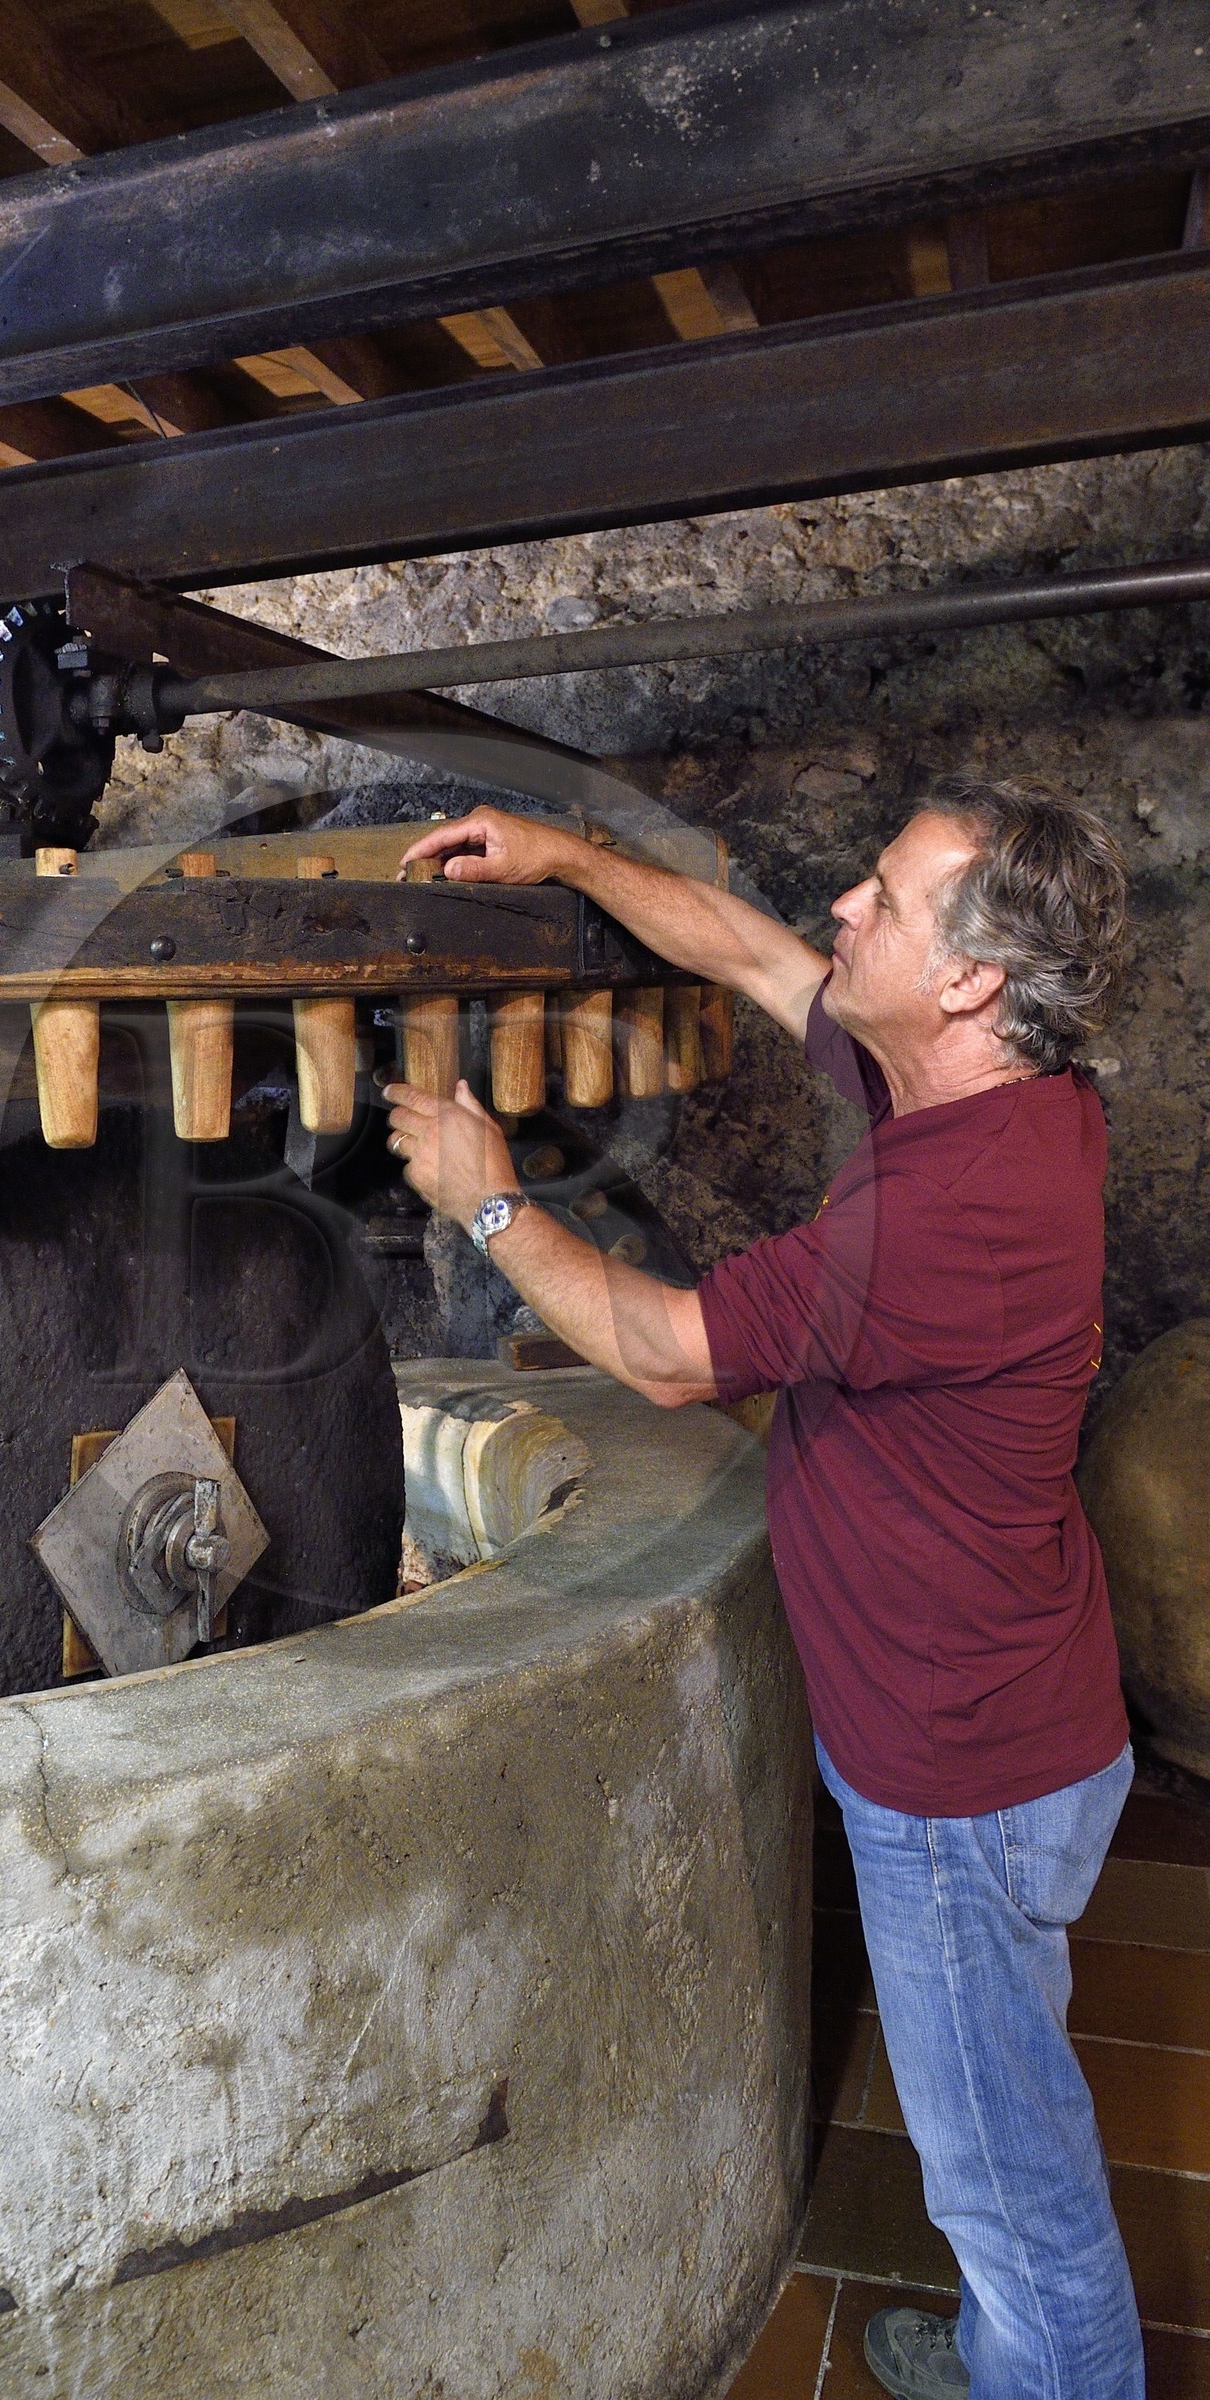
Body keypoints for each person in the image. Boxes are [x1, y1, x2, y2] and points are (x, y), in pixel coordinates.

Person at [385, 786, 1139, 2400]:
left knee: (1014, 2186)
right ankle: (1021, 2348)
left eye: (884, 895)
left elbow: (663, 1356)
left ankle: (1052, 2362)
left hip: (960, 1773)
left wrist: (488, 1194)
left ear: (968, 986)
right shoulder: (1007, 1095)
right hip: (1020, 1717)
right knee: (1006, 2111)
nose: (842, 908)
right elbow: (751, 952)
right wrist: (565, 852)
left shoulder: (948, 1212)